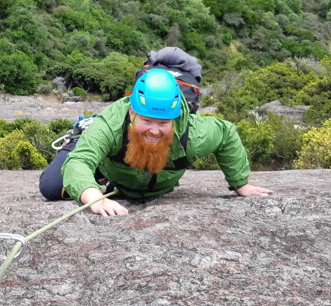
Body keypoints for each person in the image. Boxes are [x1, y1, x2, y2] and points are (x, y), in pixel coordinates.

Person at [39, 69, 272, 216]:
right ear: (132, 113)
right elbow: (80, 161)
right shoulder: (110, 125)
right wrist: (94, 197)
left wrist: (240, 184)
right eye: (147, 120)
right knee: (51, 187)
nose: (154, 130)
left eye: (163, 123)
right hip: (109, 161)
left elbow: (227, 133)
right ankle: (93, 160)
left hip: (153, 183)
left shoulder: (192, 134)